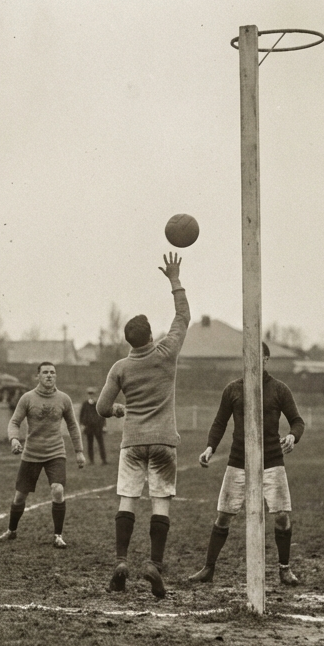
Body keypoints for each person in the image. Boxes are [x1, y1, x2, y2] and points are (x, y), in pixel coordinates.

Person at [96, 253, 189, 599]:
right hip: (164, 441)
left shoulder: (120, 367)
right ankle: (154, 563)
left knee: (127, 499)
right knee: (160, 501)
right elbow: (183, 317)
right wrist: (174, 280)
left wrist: (120, 410)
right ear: (151, 334)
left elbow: (102, 406)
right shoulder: (166, 352)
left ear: (128, 341)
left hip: (132, 442)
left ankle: (121, 561)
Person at [188, 342, 306, 586]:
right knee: (223, 515)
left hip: (272, 460)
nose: (252, 362)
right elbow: (219, 423)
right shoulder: (233, 390)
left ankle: (284, 570)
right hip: (238, 461)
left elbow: (297, 420)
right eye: (248, 357)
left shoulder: (279, 389)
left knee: (282, 515)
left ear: (266, 360)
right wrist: (210, 447)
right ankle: (208, 568)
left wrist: (293, 435)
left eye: (258, 357)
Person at [0, 362, 86, 548]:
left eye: (52, 372)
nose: (49, 376)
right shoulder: (27, 398)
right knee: (20, 496)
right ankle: (12, 530)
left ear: (56, 376)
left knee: (58, 489)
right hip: (31, 453)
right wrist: (14, 439)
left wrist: (79, 451)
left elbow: (72, 426)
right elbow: (14, 422)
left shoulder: (64, 399)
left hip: (56, 452)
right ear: (38, 376)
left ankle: (58, 535)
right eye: (45, 372)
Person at [79, 386, 107, 465]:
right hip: (89, 427)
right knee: (90, 444)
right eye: (89, 393)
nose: (91, 395)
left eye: (92, 394)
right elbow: (81, 415)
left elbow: (102, 415)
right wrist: (82, 425)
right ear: (88, 395)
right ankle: (91, 461)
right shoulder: (85, 404)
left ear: (95, 394)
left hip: (98, 427)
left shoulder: (98, 403)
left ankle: (104, 460)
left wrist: (104, 426)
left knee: (101, 443)